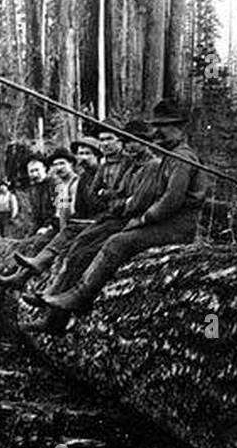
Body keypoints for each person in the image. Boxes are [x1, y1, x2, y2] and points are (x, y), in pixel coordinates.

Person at [30, 101, 207, 332]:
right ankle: (57, 311)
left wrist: (143, 218)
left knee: (117, 242)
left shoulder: (181, 159)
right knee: (88, 242)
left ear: (180, 128)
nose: (158, 132)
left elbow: (171, 201)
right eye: (157, 126)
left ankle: (81, 295)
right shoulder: (169, 156)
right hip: (162, 221)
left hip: (178, 226)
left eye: (165, 126)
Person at [0, 132, 127, 290]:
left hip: (102, 222)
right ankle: (18, 277)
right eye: (80, 154)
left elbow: (100, 203)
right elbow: (69, 210)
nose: (83, 158)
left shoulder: (87, 177)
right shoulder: (80, 180)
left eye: (87, 153)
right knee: (34, 243)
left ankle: (54, 290)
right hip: (77, 223)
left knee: (72, 249)